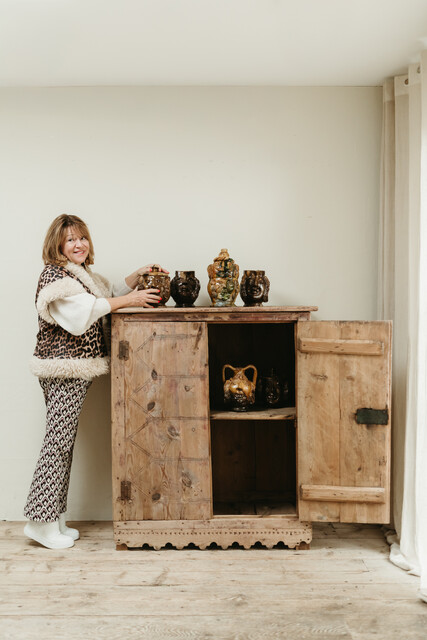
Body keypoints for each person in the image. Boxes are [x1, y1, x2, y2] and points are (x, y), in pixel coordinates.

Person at [24, 214, 167, 549]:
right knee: (56, 444)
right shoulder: (55, 276)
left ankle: (53, 518)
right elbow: (82, 313)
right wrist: (130, 300)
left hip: (76, 370)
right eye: (71, 239)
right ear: (57, 245)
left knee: (64, 443)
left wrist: (133, 279)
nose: (79, 244)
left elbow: (104, 294)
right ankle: (39, 522)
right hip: (63, 370)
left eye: (82, 238)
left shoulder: (80, 274)